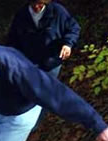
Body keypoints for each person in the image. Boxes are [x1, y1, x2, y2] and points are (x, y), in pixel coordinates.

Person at [7, 0, 81, 128]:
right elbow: (13, 40)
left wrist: (68, 44)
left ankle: (35, 124)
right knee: (29, 89)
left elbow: (73, 28)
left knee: (45, 92)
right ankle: (22, 119)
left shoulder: (57, 11)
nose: (37, 7)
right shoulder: (21, 15)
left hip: (51, 61)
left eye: (41, 4)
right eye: (35, 4)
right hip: (30, 62)